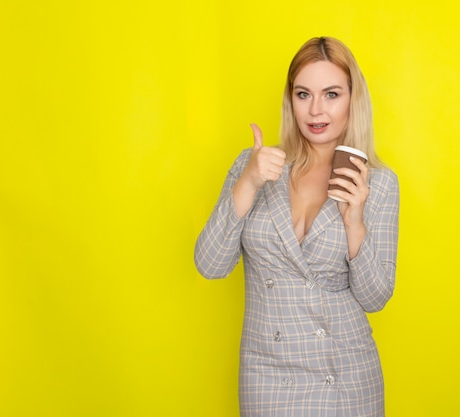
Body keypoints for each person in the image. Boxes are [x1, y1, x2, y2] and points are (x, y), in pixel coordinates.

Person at [194, 36, 399, 417]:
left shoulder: (378, 184)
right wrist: (249, 183)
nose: (316, 110)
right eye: (303, 94)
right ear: (290, 100)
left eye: (332, 94)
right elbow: (210, 264)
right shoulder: (255, 166)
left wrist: (355, 222)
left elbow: (375, 298)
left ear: (353, 99)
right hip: (267, 376)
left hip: (344, 376)